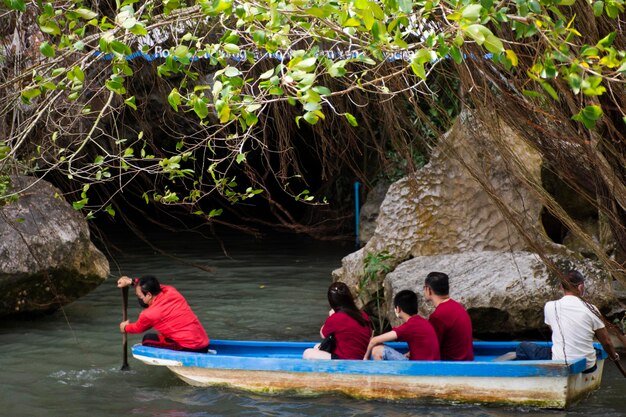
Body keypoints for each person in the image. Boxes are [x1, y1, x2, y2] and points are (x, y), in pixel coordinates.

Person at [502, 270, 619, 372]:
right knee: (596, 350)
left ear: (561, 287)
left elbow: (555, 330)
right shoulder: (592, 309)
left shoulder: (549, 306)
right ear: (581, 287)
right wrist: (614, 356)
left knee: (523, 347)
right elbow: (607, 342)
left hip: (559, 361)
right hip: (588, 366)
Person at [118, 275, 210, 353]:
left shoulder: (149, 314)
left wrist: (125, 327)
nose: (139, 297)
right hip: (204, 343)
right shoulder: (171, 291)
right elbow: (156, 286)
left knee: (147, 339)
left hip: (190, 348)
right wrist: (131, 281)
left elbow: (137, 328)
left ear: (149, 295)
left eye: (139, 296)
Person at [364, 290, 440, 361]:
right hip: (430, 365)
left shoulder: (409, 326)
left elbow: (374, 340)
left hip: (419, 368)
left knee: (377, 350)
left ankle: (383, 375)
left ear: (398, 309)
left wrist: (365, 358)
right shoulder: (423, 322)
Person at [303, 282, 372, 360]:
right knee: (317, 347)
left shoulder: (336, 318)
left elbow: (322, 334)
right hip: (361, 357)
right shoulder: (363, 314)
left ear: (331, 302)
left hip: (345, 360)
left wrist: (331, 315)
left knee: (308, 353)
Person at [423, 272, 474, 361]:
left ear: (429, 290)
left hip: (450, 366)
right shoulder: (458, 306)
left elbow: (430, 348)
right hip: (466, 360)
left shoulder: (438, 316)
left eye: (424, 288)